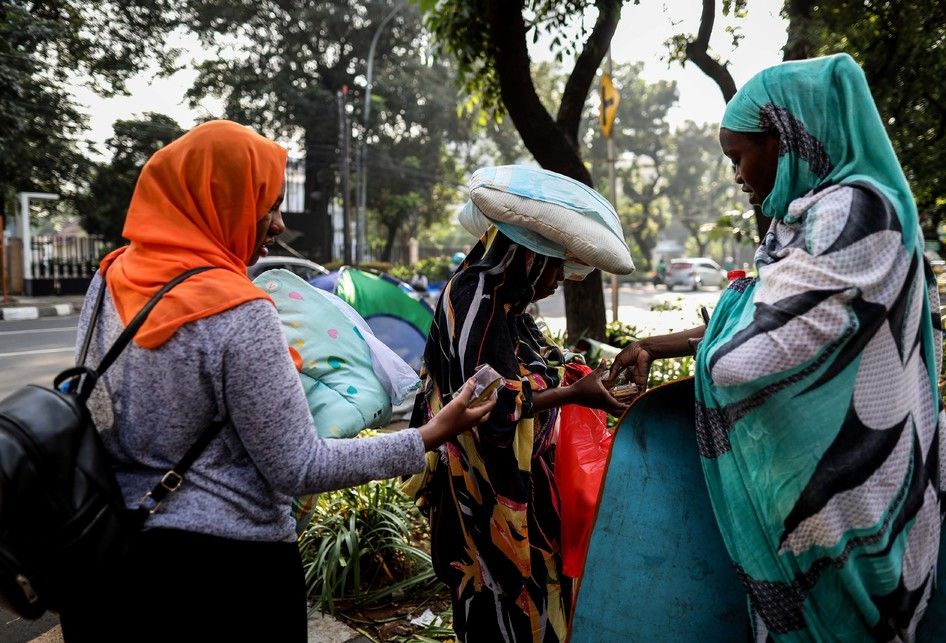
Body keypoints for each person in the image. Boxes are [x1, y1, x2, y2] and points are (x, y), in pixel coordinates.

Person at [58, 120, 495, 641]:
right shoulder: (238, 311)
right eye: (267, 204)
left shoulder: (109, 277)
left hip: (103, 557)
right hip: (224, 577)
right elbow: (299, 466)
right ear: (219, 200)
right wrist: (426, 437)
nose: (278, 225)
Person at [609, 53, 944, 641]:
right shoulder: (805, 216)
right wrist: (660, 345)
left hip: (855, 487)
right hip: (824, 486)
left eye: (739, 156)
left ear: (786, 136)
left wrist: (721, 335)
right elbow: (773, 317)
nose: (737, 175)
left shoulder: (857, 212)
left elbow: (747, 353)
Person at [405, 227, 626, 643]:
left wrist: (580, 373)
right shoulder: (473, 294)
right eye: (555, 265)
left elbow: (538, 363)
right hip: (478, 487)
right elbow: (487, 400)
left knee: (529, 596)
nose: (558, 278)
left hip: (513, 485)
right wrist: (574, 393)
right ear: (530, 257)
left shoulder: (509, 302)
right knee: (494, 596)